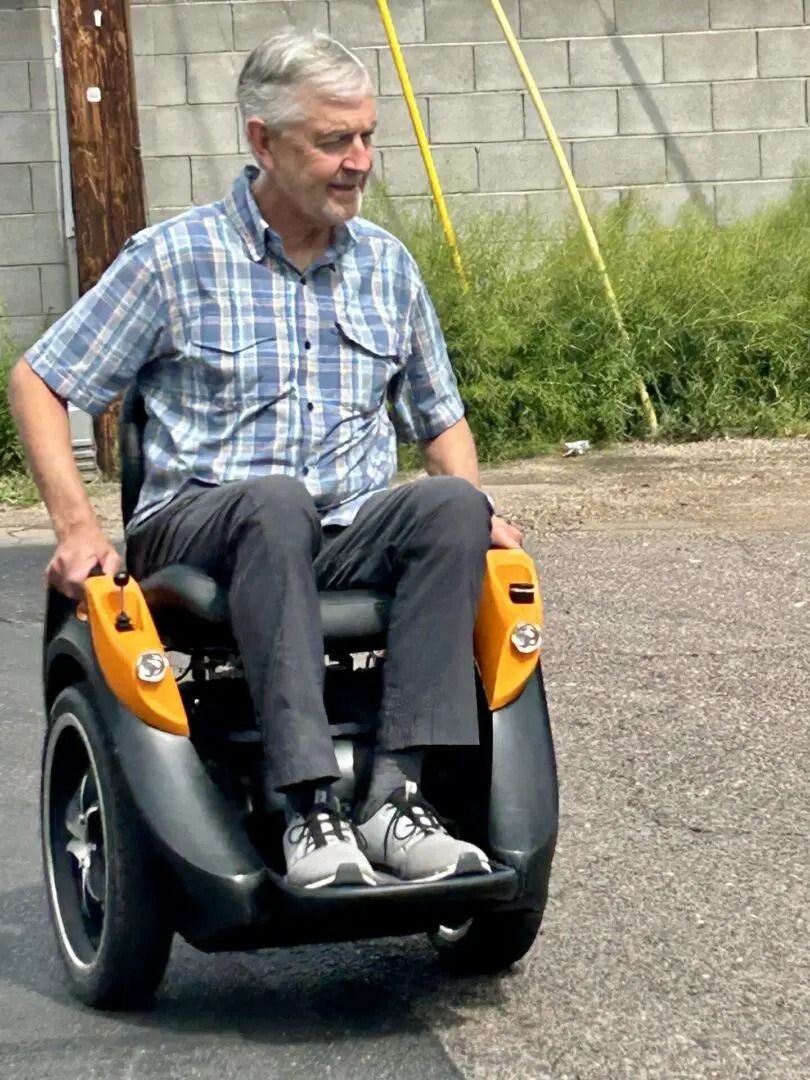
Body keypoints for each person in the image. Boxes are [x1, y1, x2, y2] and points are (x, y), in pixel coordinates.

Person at [8, 31, 523, 890]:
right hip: (203, 526)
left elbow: (442, 422)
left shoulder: (387, 267)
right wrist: (75, 526)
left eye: (366, 137)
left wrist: (475, 503)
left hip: (342, 530)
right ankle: (306, 808)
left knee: (452, 508)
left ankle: (395, 801)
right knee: (275, 501)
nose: (359, 161)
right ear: (262, 142)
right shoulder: (173, 259)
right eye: (333, 141)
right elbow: (40, 380)